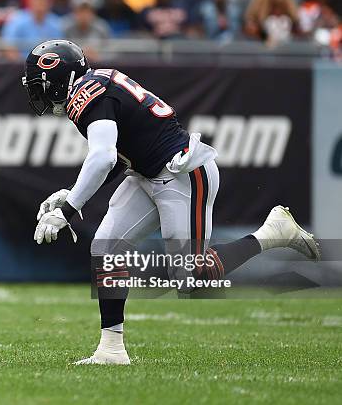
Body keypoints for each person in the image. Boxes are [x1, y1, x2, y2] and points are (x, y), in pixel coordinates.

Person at [22, 40, 320, 365]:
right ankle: (111, 350)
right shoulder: (96, 84)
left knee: (189, 281)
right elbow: (121, 155)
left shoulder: (87, 93)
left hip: (183, 174)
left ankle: (272, 233)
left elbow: (103, 157)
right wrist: (72, 193)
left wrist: (67, 211)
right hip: (147, 172)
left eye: (41, 83)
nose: (40, 92)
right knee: (106, 249)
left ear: (60, 75)